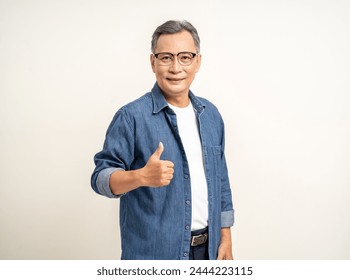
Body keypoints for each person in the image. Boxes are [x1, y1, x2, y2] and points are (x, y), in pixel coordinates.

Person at [91, 20, 234, 260]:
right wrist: (140, 176)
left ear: (198, 61)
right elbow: (100, 179)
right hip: (155, 255)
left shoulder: (211, 115)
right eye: (166, 57)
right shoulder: (131, 117)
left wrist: (226, 238)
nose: (176, 67)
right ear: (152, 62)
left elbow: (221, 180)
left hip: (209, 251)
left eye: (185, 57)